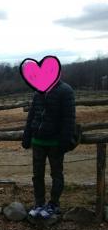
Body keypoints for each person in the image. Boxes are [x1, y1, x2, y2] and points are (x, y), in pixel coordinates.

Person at [22, 79, 76, 219]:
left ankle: (54, 204)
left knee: (56, 174)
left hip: (55, 142)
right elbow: (32, 115)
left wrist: (64, 141)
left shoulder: (65, 90)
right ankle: (39, 203)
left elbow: (69, 118)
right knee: (37, 174)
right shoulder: (38, 91)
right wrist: (27, 136)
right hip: (38, 141)